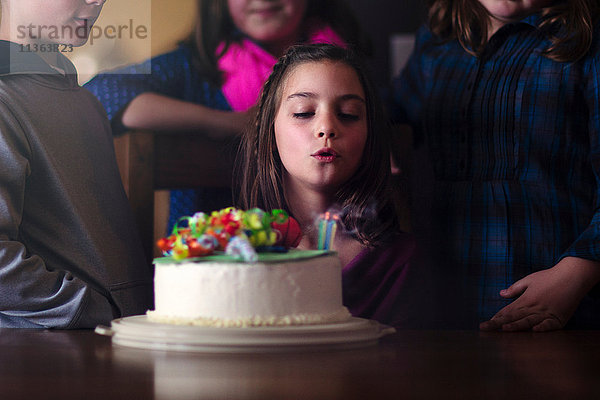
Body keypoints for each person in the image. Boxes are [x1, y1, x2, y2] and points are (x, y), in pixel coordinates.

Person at [390, 0, 600, 330]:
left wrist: (579, 270)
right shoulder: (438, 41)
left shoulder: (587, 41)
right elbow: (389, 112)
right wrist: (377, 134)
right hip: (441, 312)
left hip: (564, 312)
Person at [84, 0, 371, 230]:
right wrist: (222, 123)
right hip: (211, 265)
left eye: (345, 113)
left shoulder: (346, 67)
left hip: (327, 248)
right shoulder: (194, 68)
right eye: (303, 111)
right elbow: (102, 92)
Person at [237, 43, 431, 328]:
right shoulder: (234, 251)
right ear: (270, 130)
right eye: (303, 112)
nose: (327, 127)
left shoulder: (402, 261)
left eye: (349, 114)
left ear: (370, 136)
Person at [0, 0, 153, 328]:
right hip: (51, 357)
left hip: (120, 340)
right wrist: (93, 309)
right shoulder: (4, 98)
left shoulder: (84, 100)